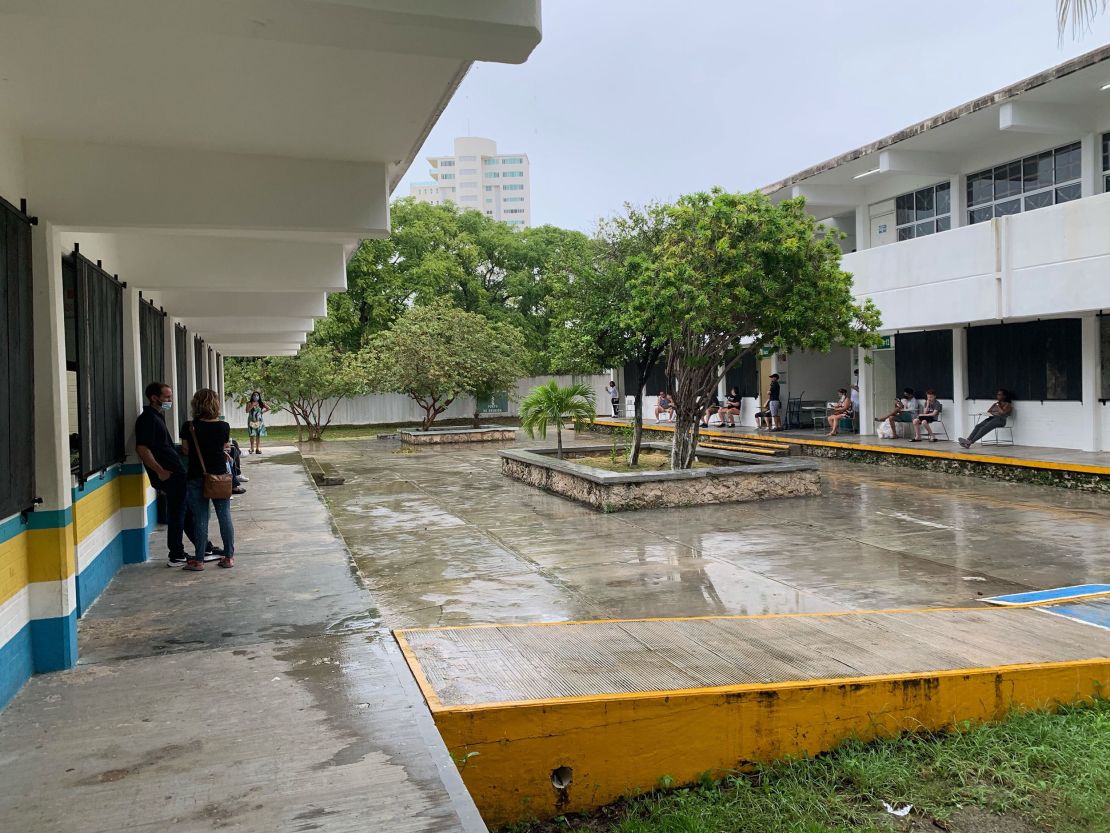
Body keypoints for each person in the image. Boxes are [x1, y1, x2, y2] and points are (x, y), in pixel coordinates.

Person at [134, 382, 222, 566]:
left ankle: (203, 547)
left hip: (176, 473)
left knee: (186, 512)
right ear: (154, 398)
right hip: (169, 474)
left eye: (170, 396)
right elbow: (142, 448)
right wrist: (160, 471)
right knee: (177, 514)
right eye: (167, 397)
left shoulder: (157, 416)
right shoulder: (147, 419)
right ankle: (176, 553)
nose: (170, 400)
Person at [181, 389, 235, 571]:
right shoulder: (223, 426)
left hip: (197, 476)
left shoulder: (189, 426)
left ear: (196, 404)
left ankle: (199, 560)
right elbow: (224, 447)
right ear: (215, 404)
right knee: (224, 516)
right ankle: (228, 557)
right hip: (219, 477)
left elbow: (186, 450)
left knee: (200, 518)